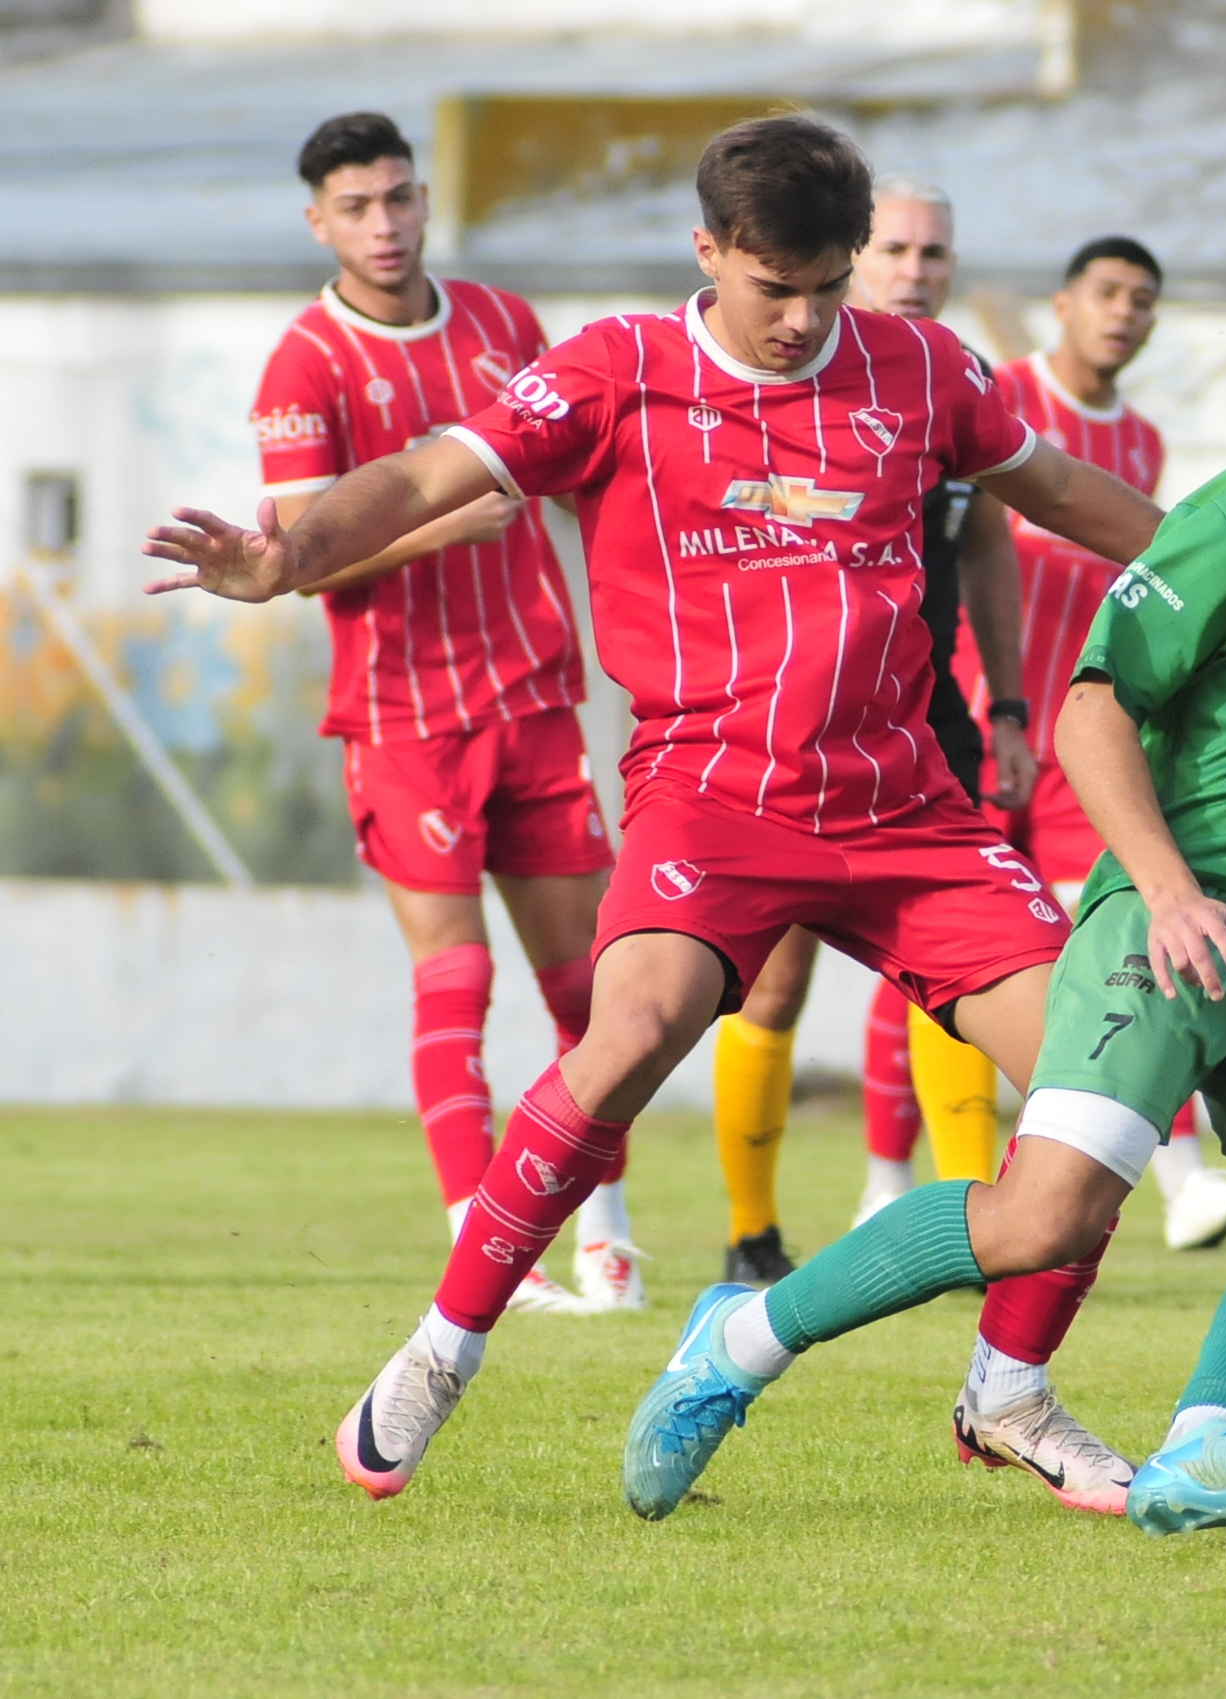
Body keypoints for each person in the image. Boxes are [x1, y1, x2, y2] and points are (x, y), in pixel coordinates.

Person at [143, 115, 1168, 1504]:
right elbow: (427, 477)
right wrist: (285, 555)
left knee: (1110, 1079)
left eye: (827, 284)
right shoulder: (617, 370)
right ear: (709, 255)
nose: (805, 319)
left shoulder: (922, 365)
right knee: (626, 1033)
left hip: (902, 803)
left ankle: (1012, 1391)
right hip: (711, 797)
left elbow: (1059, 490)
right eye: (773, 289)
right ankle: (447, 1340)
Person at [622, 244, 1226, 1538]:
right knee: (1040, 1219)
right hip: (1172, 927)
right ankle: (742, 1337)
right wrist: (1167, 890)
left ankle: (1209, 1441)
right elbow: (1095, 709)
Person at [253, 112, 621, 1315]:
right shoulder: (304, 364)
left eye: (400, 198)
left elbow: (575, 472)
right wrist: (441, 521)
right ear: (320, 222)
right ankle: (482, 1250)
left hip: (531, 697)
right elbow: (303, 557)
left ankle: (606, 1238)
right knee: (456, 981)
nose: (385, 223)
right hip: (402, 716)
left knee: (598, 994)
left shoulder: (507, 325)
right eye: (357, 206)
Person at [704, 175, 1038, 1288]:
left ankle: (970, 1222)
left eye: (933, 253)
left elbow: (989, 544)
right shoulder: (795, 378)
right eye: (891, 249)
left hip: (927, 712)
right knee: (776, 982)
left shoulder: (959, 383)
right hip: (796, 715)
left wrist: (1006, 704)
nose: (913, 270)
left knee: (963, 971)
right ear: (855, 257)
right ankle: (750, 1229)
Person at [969, 237, 1226, 1255]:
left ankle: (1182, 1179)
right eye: (1106, 293)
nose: (1123, 313)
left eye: (1142, 300)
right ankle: (898, 1184)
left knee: (1115, 942)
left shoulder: (1140, 441)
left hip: (1087, 732)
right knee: (951, 964)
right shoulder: (993, 394)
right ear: (1060, 303)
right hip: (975, 716)